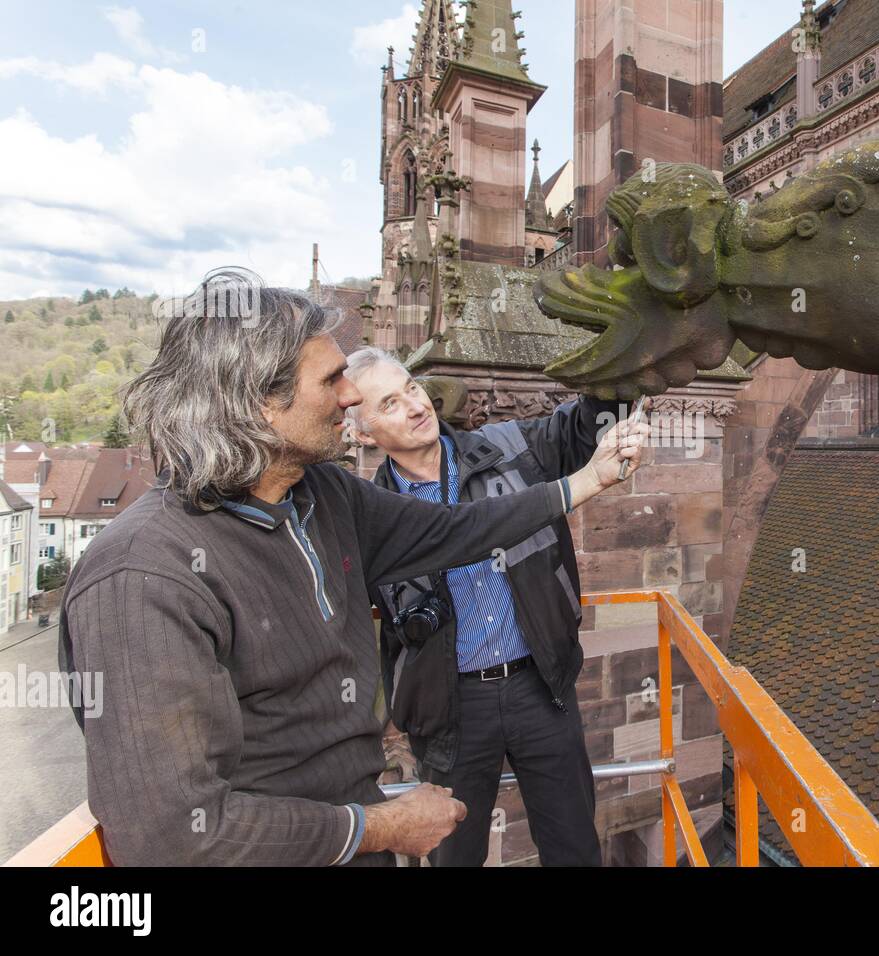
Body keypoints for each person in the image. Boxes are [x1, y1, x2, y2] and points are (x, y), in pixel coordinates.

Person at [57, 268, 646, 866]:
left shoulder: (322, 496)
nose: (350, 396)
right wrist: (380, 826)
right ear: (259, 403)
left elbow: (456, 531)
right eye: (333, 379)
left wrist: (585, 480)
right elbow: (169, 834)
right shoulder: (141, 576)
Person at [344, 347, 623, 866]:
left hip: (541, 689)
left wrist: (623, 376)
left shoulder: (510, 446)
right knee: (454, 856)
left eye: (410, 387)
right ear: (362, 434)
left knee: (574, 848)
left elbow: (585, 427)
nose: (414, 405)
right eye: (388, 404)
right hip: (450, 710)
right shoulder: (367, 517)